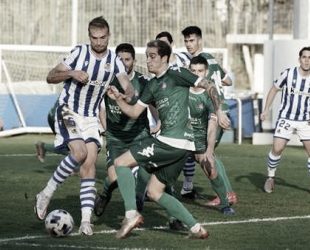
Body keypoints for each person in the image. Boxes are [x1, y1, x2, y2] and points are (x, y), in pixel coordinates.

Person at [106, 39, 230, 239]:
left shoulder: (177, 74)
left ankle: (130, 214)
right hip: (182, 147)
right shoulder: (152, 85)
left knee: (121, 162)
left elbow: (209, 85)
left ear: (165, 58)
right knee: (155, 192)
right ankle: (196, 227)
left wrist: (219, 111)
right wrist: (119, 99)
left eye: (153, 56)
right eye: (147, 56)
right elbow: (134, 112)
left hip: (170, 141)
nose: (148, 60)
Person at [33, 16, 134, 236]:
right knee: (78, 153)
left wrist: (124, 94)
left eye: (103, 37)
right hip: (69, 110)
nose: (99, 42)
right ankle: (46, 194)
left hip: (91, 118)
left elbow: (129, 87)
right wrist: (71, 73)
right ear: (89, 36)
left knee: (88, 166)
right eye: (94, 38)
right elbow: (50, 76)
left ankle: (86, 222)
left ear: (109, 36)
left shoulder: (115, 61)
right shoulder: (78, 53)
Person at [94, 43, 155, 219]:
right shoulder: (107, 81)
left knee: (147, 169)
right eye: (120, 59)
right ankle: (105, 194)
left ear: (134, 61)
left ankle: (138, 199)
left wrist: (158, 122)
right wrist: (104, 129)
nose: (124, 62)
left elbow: (152, 104)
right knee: (114, 178)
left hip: (139, 136)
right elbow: (100, 107)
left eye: (127, 59)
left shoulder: (143, 82)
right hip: (116, 139)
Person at [180, 26, 237, 205]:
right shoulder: (211, 59)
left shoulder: (200, 62)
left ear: (200, 41)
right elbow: (228, 80)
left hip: (214, 109)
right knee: (206, 153)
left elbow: (204, 85)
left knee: (206, 153)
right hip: (220, 107)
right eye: (186, 41)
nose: (189, 44)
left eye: (192, 40)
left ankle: (226, 193)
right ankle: (227, 193)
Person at [260, 46, 310, 193]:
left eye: (309, 58)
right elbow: (274, 89)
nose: (307, 61)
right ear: (299, 59)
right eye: (304, 57)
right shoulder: (289, 74)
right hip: (286, 118)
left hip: (305, 120)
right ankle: (270, 177)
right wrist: (266, 109)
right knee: (277, 148)